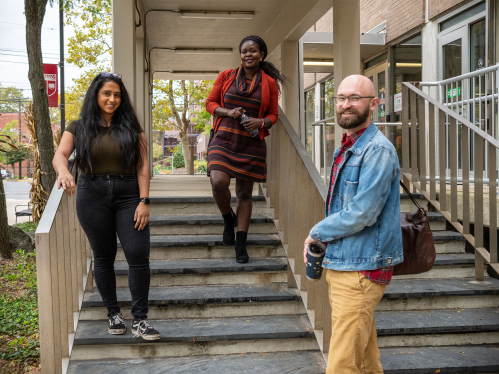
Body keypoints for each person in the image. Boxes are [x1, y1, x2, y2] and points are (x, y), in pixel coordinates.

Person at [303, 75, 403, 373]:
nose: (346, 104)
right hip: (345, 262)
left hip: (361, 269)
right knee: (366, 360)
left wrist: (316, 232)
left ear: (373, 104)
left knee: (342, 364)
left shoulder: (377, 150)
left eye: (355, 98)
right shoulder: (348, 147)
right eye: (341, 98)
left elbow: (363, 213)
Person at [53, 72, 160, 341]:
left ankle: (140, 320)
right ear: (96, 96)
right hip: (91, 194)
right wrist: (63, 172)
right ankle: (113, 314)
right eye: (106, 94)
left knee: (137, 254)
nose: (112, 99)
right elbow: (61, 155)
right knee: (103, 256)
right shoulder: (78, 127)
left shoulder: (133, 127)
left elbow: (143, 166)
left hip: (128, 195)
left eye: (117, 94)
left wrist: (144, 201)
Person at [205, 35, 285, 263]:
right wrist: (228, 112)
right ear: (240, 55)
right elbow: (210, 104)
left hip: (250, 143)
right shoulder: (227, 76)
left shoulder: (268, 83)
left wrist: (261, 123)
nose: (248, 55)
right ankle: (227, 217)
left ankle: (241, 242)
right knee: (218, 181)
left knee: (244, 194)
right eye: (244, 51)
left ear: (261, 54)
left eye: (253, 51)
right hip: (223, 139)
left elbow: (273, 115)